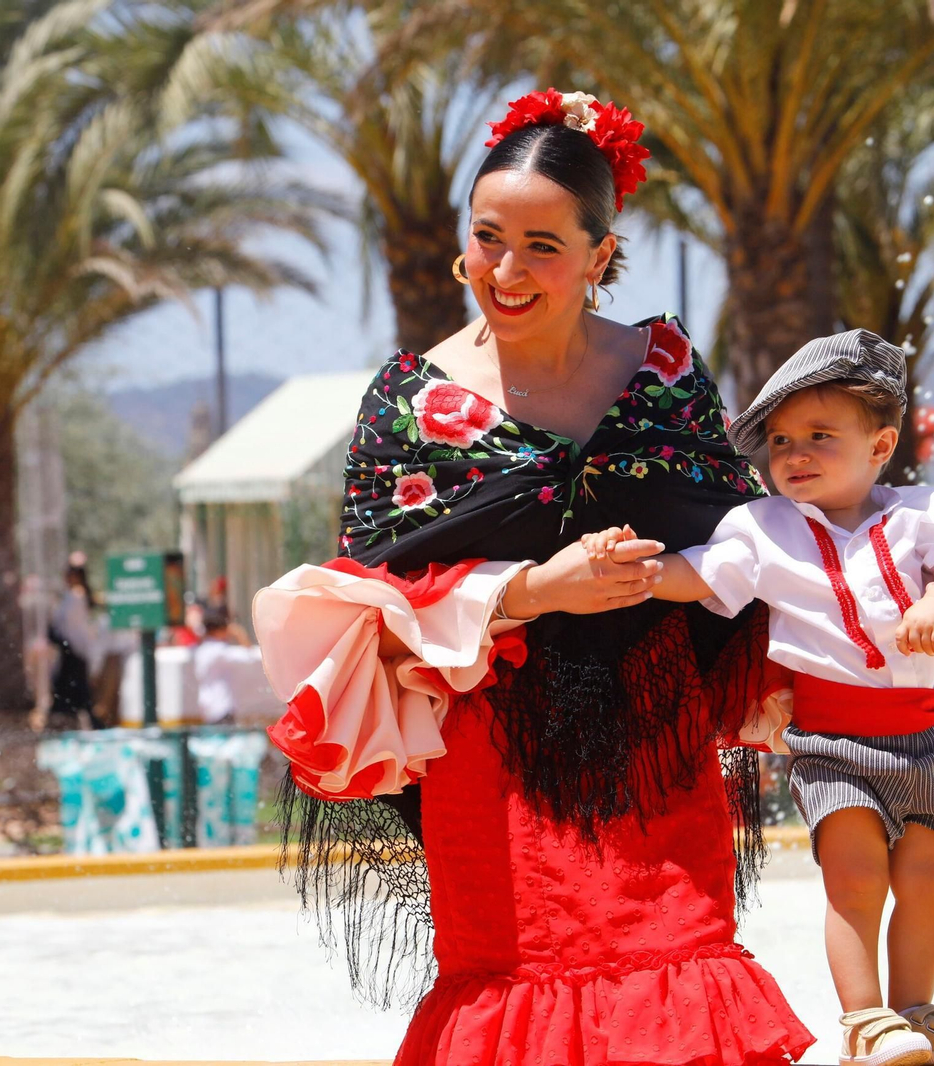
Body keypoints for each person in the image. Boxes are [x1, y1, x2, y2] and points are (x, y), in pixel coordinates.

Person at [252, 89, 812, 1066]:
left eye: (542, 247)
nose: (505, 272)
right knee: (518, 992)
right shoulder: (408, 403)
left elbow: (741, 542)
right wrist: (533, 592)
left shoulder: (666, 371)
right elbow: (365, 609)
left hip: (658, 739)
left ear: (600, 256)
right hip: (491, 754)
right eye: (487, 238)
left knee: (680, 971)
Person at [584, 329, 934, 1065]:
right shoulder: (763, 527)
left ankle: (917, 1009)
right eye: (780, 441)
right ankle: (865, 1018)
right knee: (856, 876)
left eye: (819, 435)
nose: (795, 454)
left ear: (881, 445)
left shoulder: (925, 512)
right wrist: (642, 567)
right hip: (834, 738)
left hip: (930, 734)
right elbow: (703, 575)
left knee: (930, 875)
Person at [47, 561, 100, 729]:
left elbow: (72, 626)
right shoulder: (70, 596)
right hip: (70, 650)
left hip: (74, 650)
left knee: (74, 692)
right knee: (71, 693)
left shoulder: (76, 596)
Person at [193, 608, 257, 725]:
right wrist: (240, 634)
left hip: (207, 706)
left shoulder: (202, 650)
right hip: (221, 706)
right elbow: (250, 657)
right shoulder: (219, 651)